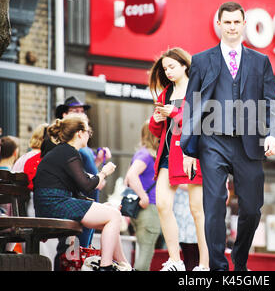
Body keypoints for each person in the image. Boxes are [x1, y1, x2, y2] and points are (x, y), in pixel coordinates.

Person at [180, 1, 275, 271]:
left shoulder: (261, 62)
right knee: (213, 206)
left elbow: (271, 100)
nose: (232, 27)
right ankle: (217, 268)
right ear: (219, 24)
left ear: (244, 24)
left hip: (249, 143)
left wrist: (271, 133)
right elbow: (192, 103)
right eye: (228, 22)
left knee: (251, 208)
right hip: (213, 141)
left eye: (237, 22)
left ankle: (240, 258)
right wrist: (187, 150)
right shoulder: (202, 60)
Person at [33, 114, 132, 271]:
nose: (89, 134)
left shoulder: (64, 151)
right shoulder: (68, 152)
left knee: (112, 213)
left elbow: (78, 187)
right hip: (55, 205)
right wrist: (104, 172)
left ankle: (124, 265)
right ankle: (106, 266)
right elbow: (87, 184)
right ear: (79, 133)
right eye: (88, 131)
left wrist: (100, 205)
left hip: (53, 204)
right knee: (113, 215)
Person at [149, 47, 209, 271]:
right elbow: (157, 131)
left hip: (192, 154)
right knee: (163, 204)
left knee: (197, 211)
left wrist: (173, 113)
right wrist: (156, 119)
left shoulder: (199, 90)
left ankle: (204, 264)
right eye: (165, 68)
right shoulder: (165, 92)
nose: (168, 72)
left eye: (172, 67)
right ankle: (175, 260)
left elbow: (199, 122)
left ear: (184, 65)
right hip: (167, 155)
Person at [124, 120, 161, 271]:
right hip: (148, 208)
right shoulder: (146, 155)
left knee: (144, 250)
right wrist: (144, 196)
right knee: (146, 252)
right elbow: (131, 176)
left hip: (141, 210)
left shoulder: (142, 153)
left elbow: (128, 179)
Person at [173, 185, 200, 271]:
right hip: (184, 213)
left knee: (196, 257)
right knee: (190, 255)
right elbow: (178, 182)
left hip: (195, 211)